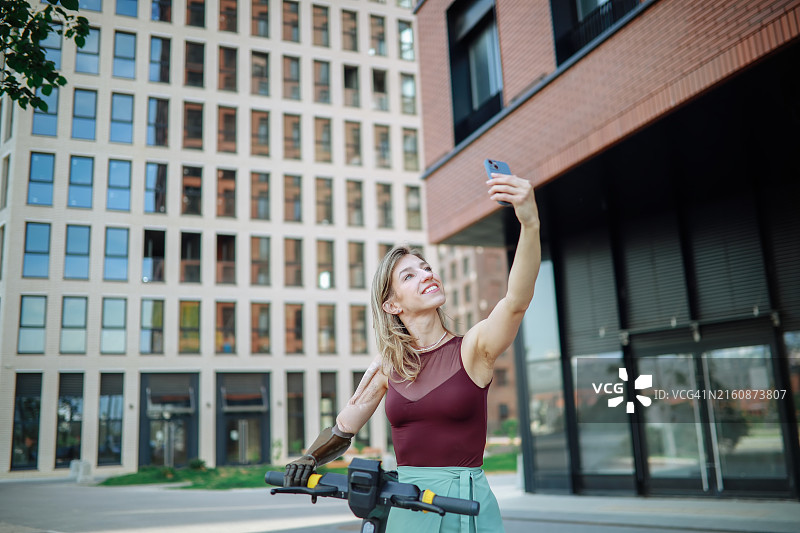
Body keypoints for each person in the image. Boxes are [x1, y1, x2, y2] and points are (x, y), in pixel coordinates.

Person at [284, 171, 541, 532]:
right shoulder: (389, 366)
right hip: (404, 504)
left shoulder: (472, 349)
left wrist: (529, 223)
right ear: (392, 305)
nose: (425, 275)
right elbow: (343, 428)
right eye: (409, 276)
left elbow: (516, 301)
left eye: (426, 268)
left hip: (463, 506)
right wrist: (308, 458)